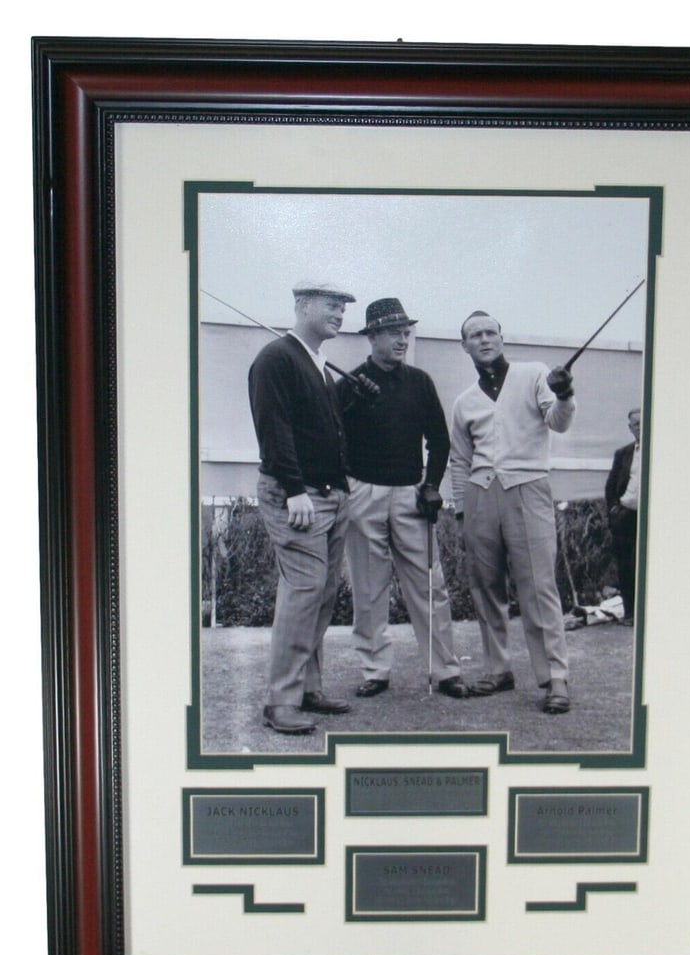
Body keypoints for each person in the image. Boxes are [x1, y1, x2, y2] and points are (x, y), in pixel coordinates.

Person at [337, 297, 469, 699]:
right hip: (363, 493)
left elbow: (440, 439)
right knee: (368, 587)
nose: (403, 339)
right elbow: (334, 438)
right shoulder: (349, 384)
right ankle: (375, 669)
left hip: (412, 493)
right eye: (394, 332)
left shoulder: (420, 381)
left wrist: (431, 484)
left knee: (431, 585)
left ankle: (445, 670)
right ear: (372, 336)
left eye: (406, 332)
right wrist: (354, 401)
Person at [450, 311, 576, 714]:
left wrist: (565, 394)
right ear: (465, 346)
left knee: (538, 586)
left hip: (528, 488)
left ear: (501, 338)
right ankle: (498, 669)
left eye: (490, 332)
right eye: (475, 335)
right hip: (480, 495)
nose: (484, 339)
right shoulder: (464, 401)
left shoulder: (534, 374)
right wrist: (461, 510)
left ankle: (555, 678)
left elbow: (557, 422)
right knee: (485, 586)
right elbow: (459, 460)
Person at [247, 281, 355, 734]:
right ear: (302, 305)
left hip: (331, 494)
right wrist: (295, 490)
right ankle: (281, 701)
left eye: (343, 308)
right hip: (298, 496)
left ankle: (309, 688)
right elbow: (274, 431)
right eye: (332, 306)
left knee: (323, 594)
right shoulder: (276, 359)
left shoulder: (318, 366)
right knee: (305, 591)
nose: (340, 314)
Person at [605, 407, 641, 626]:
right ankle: (630, 614)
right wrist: (613, 511)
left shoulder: (662, 449)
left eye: (644, 422)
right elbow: (611, 486)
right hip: (626, 516)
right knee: (626, 566)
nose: (640, 427)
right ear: (630, 428)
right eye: (636, 424)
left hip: (651, 519)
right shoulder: (624, 453)